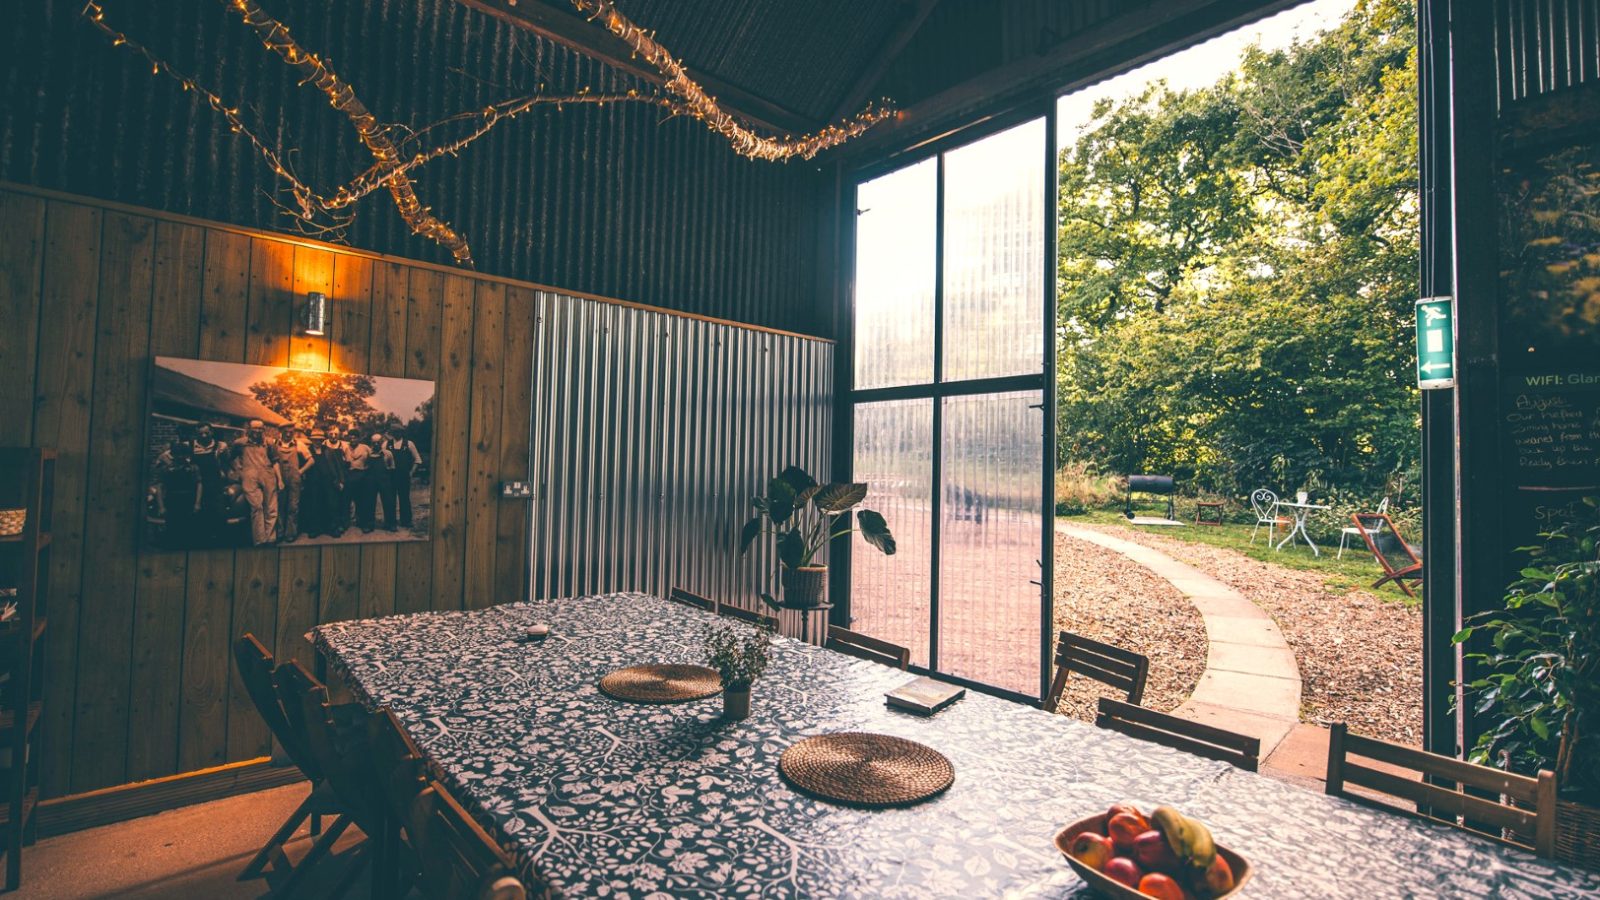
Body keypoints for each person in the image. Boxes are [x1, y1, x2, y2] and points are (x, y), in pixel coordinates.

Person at [232, 419, 279, 546]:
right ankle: (260, 540)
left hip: (268, 474)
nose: (258, 431)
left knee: (271, 507)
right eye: (255, 428)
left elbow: (275, 462)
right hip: (249, 476)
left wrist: (280, 480)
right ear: (249, 429)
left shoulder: (269, 443)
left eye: (260, 428)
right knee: (257, 507)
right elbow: (231, 459)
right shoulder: (239, 443)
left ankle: (271, 538)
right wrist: (239, 472)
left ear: (263, 429)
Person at [155, 440, 202, 548]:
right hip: (172, 500)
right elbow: (160, 487)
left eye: (183, 454)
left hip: (189, 499)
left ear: (187, 455)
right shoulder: (166, 469)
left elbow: (199, 485)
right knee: (173, 527)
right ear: (173, 455)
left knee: (189, 528)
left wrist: (197, 503)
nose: (180, 457)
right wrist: (161, 506)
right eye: (177, 454)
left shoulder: (193, 468)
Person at [300, 428, 346, 539]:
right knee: (314, 505)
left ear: (322, 440)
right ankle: (315, 529)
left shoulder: (329, 451)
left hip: (329, 483)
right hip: (313, 483)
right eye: (315, 440)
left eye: (320, 440)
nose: (317, 442)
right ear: (312, 440)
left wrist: (341, 481)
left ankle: (332, 528)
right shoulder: (307, 451)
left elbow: (338, 467)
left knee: (331, 505)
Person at [189, 423, 227, 543]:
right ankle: (201, 539)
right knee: (199, 512)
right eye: (200, 434)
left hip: (215, 484)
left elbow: (227, 462)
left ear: (212, 432)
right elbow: (168, 455)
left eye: (206, 433)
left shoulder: (221, 446)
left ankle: (219, 539)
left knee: (218, 512)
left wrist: (223, 472)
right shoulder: (190, 446)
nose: (204, 436)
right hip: (196, 484)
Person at [274, 426, 309, 543]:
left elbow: (311, 460)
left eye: (291, 432)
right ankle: (279, 533)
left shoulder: (299, 445)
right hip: (279, 479)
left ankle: (290, 533)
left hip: (294, 479)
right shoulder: (275, 443)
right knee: (280, 505)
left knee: (293, 507)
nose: (288, 435)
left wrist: (300, 471)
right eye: (286, 432)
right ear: (281, 432)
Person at [384, 426, 424, 530]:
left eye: (399, 431)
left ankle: (406, 521)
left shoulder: (409, 444)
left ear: (402, 432)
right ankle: (390, 523)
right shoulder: (386, 444)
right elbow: (381, 459)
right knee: (390, 499)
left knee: (404, 499)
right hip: (390, 477)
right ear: (392, 433)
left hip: (404, 477)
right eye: (394, 432)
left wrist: (411, 473)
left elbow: (418, 460)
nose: (397, 433)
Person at [344, 432, 378, 533]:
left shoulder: (365, 447)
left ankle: (364, 523)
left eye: (354, 438)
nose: (352, 440)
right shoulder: (345, 448)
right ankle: (345, 523)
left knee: (363, 501)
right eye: (351, 438)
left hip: (362, 475)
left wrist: (368, 469)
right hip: (349, 475)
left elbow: (373, 457)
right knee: (346, 500)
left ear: (358, 438)